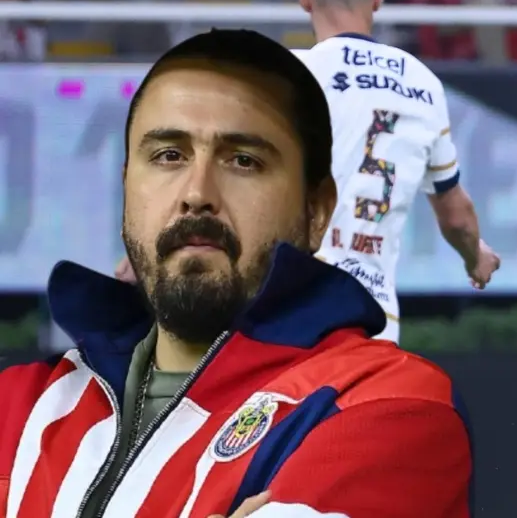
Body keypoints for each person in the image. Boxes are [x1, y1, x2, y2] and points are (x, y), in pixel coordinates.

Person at [0, 29, 473, 518]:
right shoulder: (17, 405)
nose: (196, 192)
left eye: (243, 161)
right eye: (169, 156)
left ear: (316, 210)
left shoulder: (391, 409)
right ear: (127, 187)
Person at [295, 0, 500, 344]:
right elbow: (456, 214)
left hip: (293, 310)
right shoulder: (422, 83)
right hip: (373, 323)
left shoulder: (284, 75)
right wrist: (475, 255)